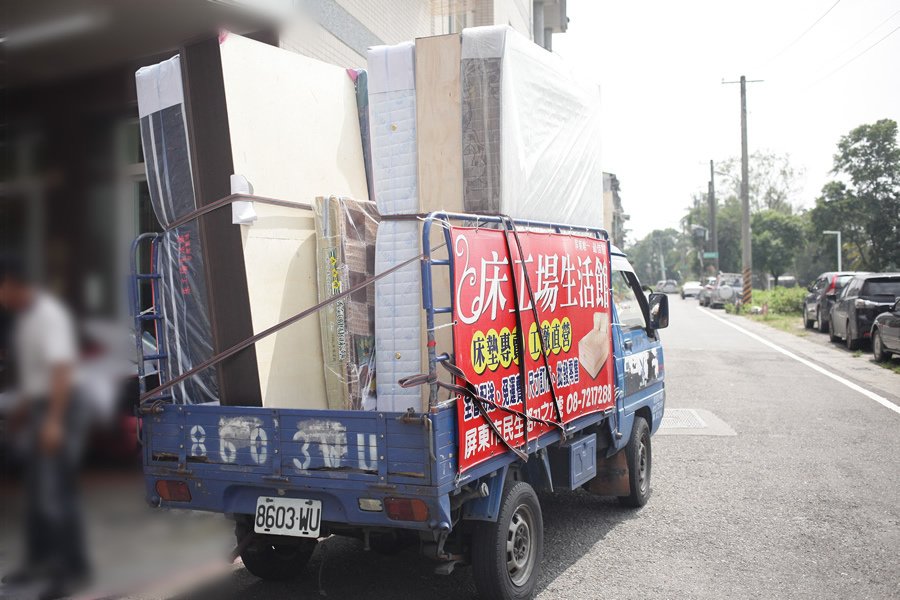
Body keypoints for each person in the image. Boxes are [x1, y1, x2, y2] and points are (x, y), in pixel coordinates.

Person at [0, 257, 91, 600]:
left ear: (12, 284)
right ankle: (39, 564)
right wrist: (23, 413)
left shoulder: (47, 315)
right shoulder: (25, 319)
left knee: (54, 492)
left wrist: (53, 421)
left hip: (63, 406)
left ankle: (67, 572)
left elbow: (61, 370)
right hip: (43, 405)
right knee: (37, 490)